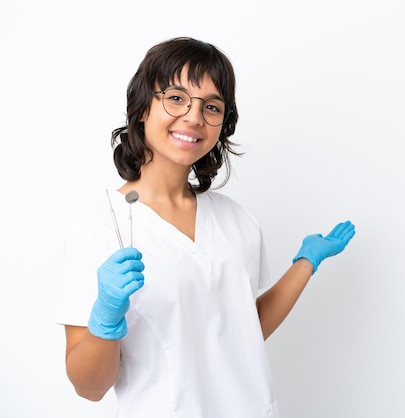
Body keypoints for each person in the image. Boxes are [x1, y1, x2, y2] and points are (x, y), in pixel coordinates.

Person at [54, 36, 355, 418]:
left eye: (211, 106)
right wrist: (105, 317)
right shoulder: (99, 232)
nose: (195, 117)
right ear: (143, 106)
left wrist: (306, 262)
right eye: (176, 98)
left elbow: (243, 330)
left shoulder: (236, 220)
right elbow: (88, 388)